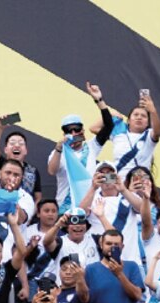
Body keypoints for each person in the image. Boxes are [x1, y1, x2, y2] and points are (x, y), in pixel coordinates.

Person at [47, 82, 113, 211]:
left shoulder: (92, 146)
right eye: (68, 130)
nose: (73, 133)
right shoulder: (59, 152)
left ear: (82, 131)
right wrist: (59, 149)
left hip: (90, 206)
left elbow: (109, 126)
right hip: (65, 208)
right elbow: (51, 171)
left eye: (76, 129)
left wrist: (98, 100)